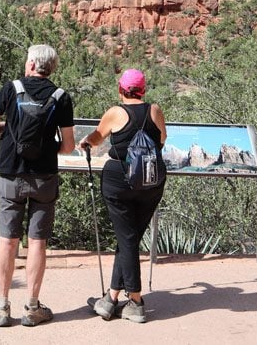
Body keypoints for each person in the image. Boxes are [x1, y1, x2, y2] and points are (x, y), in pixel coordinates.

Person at [0, 44, 75, 327]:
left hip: (11, 174)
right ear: (51, 68)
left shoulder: (12, 88)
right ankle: (32, 307)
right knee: (37, 242)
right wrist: (45, 148)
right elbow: (68, 147)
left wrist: (6, 133)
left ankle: (1, 305)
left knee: (7, 241)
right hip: (44, 177)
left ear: (31, 64)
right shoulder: (61, 97)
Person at [78, 68, 166, 324]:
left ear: (120, 89)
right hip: (151, 181)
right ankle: (110, 298)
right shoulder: (155, 110)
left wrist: (86, 143)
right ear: (144, 89)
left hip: (119, 180)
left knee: (127, 238)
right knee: (129, 238)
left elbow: (97, 137)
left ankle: (136, 301)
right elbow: (162, 139)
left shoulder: (116, 112)